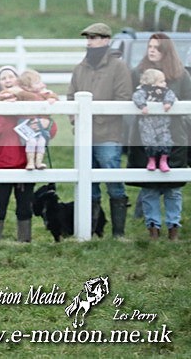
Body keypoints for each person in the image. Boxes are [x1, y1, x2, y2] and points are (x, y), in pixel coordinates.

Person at [67, 22, 133, 238]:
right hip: (84, 136)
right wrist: (76, 121)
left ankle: (119, 233)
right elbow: (71, 96)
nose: (89, 42)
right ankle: (91, 232)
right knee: (89, 186)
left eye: (93, 38)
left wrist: (97, 119)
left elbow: (123, 98)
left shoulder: (118, 67)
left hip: (108, 135)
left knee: (113, 181)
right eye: (88, 38)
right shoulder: (80, 67)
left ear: (106, 40)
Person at [0, 66, 57, 243]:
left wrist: (46, 123)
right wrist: (3, 111)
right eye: (3, 78)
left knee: (25, 206)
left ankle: (25, 242)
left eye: (11, 77)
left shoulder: (31, 105)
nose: (7, 80)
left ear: (18, 82)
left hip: (25, 163)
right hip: (0, 163)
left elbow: (51, 130)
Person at [126, 33, 190, 240]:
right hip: (145, 137)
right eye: (150, 46)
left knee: (173, 187)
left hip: (174, 137)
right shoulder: (138, 73)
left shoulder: (181, 76)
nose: (151, 50)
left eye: (157, 47)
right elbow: (131, 99)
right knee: (149, 186)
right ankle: (152, 228)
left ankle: (173, 228)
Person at [13, 69, 59, 170]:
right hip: (27, 124)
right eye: (37, 83)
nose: (42, 84)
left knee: (42, 142)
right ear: (27, 87)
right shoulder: (23, 94)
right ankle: (30, 162)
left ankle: (39, 162)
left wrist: (52, 97)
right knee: (31, 141)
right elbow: (15, 94)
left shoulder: (43, 93)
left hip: (40, 125)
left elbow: (54, 96)